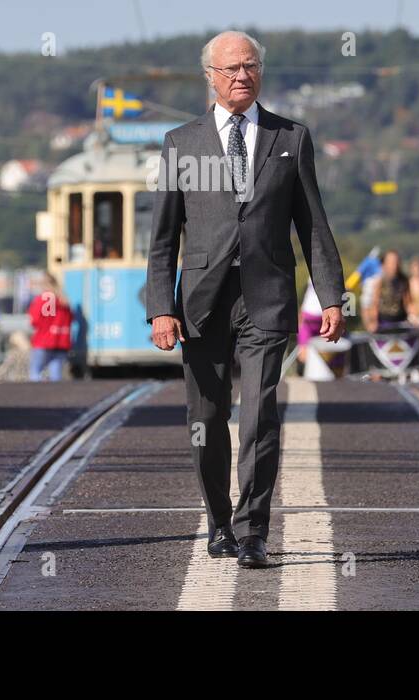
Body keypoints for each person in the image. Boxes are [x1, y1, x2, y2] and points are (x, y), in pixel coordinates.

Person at [146, 31, 345, 569]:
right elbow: (163, 236)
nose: (242, 76)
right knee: (206, 418)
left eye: (251, 66)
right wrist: (161, 305)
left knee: (260, 414)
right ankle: (218, 521)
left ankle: (253, 529)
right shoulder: (180, 144)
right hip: (201, 303)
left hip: (267, 295)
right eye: (231, 68)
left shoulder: (291, 138)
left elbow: (313, 226)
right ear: (209, 76)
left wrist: (331, 294)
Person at [27, 272, 72, 381]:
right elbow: (70, 319)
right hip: (61, 340)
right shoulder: (63, 300)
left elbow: (35, 321)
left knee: (35, 372)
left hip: (44, 340)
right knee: (55, 374)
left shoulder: (44, 299)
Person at [363, 249, 410, 331]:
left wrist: (414, 318)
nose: (394, 265)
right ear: (384, 264)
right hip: (383, 323)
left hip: (401, 322)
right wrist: (373, 322)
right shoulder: (379, 282)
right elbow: (374, 304)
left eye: (396, 262)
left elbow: (408, 303)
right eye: (391, 262)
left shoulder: (404, 281)